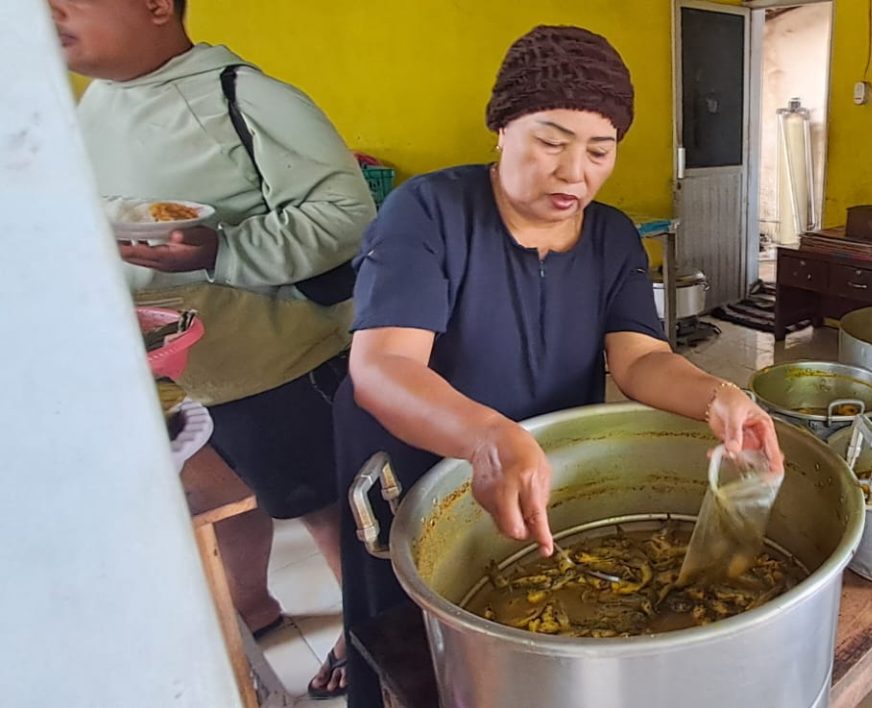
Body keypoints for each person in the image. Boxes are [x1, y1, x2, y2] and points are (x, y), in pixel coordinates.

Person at [333, 25, 783, 708]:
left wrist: (716, 395)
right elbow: (383, 367)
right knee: (413, 649)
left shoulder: (612, 235)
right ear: (502, 129)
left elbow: (640, 359)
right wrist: (487, 437)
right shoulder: (428, 212)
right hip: (418, 465)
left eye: (600, 151)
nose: (575, 173)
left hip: (537, 461)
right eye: (551, 142)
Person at [53, 0, 374, 697]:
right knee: (224, 498)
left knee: (322, 505)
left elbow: (348, 217)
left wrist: (220, 249)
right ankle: (252, 603)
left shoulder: (244, 97)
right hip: (174, 366)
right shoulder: (92, 104)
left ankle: (367, 632)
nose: (52, 11)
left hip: (275, 361)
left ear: (156, 6)